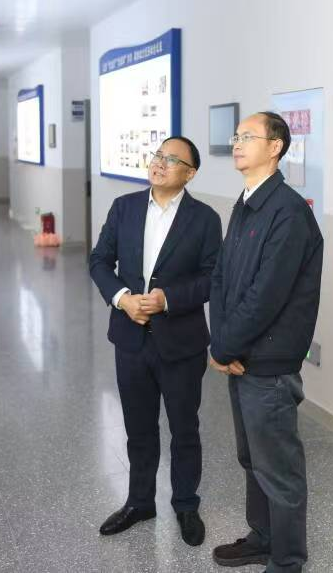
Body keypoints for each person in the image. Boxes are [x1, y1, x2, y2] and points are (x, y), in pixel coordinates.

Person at [88, 136, 222, 547]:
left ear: (190, 173)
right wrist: (122, 299)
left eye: (172, 159)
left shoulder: (205, 219)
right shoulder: (124, 207)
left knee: (184, 428)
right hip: (130, 339)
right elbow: (99, 261)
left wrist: (168, 300)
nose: (160, 163)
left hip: (181, 343)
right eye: (158, 155)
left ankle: (186, 505)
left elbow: (212, 278)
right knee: (138, 428)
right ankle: (140, 501)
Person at [209, 111, 323, 573]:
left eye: (248, 136)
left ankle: (288, 560)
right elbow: (221, 278)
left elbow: (266, 296)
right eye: (236, 136)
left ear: (275, 147)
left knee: (279, 470)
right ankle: (263, 538)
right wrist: (223, 343)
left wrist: (224, 348)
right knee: (251, 458)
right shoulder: (245, 202)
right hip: (240, 356)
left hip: (268, 364)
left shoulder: (289, 212)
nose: (237, 143)